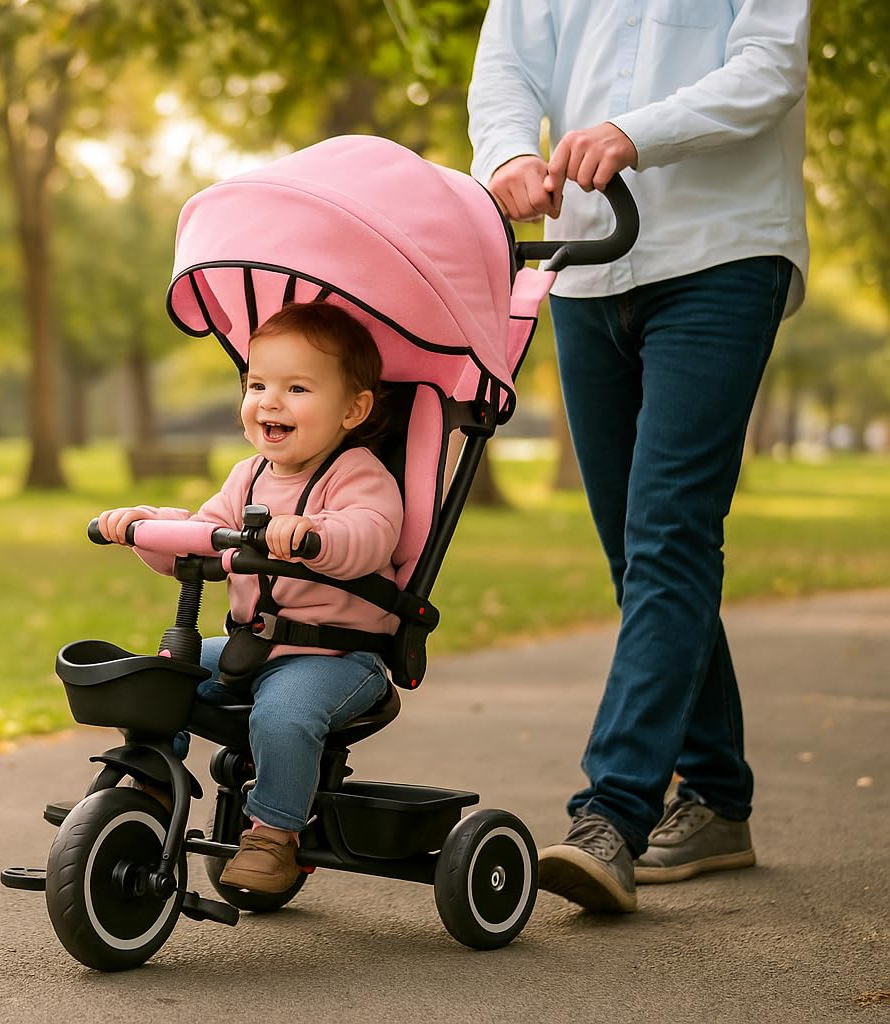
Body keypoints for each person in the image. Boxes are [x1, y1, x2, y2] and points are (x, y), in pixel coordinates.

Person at [468, 1, 810, 912]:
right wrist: (506, 154)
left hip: (722, 252)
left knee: (668, 531)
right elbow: (507, 65)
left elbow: (771, 68)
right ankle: (719, 799)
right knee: (641, 548)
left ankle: (611, 815)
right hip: (589, 261)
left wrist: (634, 131)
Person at [98, 301, 403, 894]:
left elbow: (368, 536)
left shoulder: (358, 475)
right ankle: (154, 783)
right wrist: (146, 527)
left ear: (352, 409)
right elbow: (202, 539)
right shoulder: (249, 477)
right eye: (257, 383)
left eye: (296, 387)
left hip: (338, 658)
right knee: (160, 676)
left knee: (284, 716)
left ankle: (274, 835)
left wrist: (315, 536)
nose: (270, 401)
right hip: (253, 646)